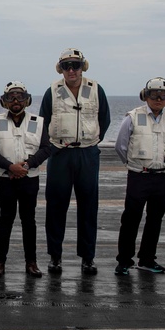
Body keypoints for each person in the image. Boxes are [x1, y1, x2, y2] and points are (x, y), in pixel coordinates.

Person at [39, 48, 111, 275]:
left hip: (87, 155)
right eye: (67, 66)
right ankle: (55, 257)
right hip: (60, 154)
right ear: (60, 69)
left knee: (89, 208)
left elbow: (105, 119)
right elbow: (43, 122)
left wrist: (90, 140)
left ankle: (88, 258)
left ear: (83, 67)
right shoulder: (52, 91)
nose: (71, 70)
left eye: (75, 65)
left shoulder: (96, 90)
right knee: (56, 207)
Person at [113, 78, 165, 276]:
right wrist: (133, 165)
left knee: (155, 220)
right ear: (146, 96)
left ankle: (147, 259)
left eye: (163, 95)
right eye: (153, 94)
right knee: (130, 220)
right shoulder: (133, 117)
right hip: (138, 177)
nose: (158, 99)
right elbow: (121, 146)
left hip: (163, 177)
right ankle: (124, 261)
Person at [0, 82, 53, 278]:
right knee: (5, 220)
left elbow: (46, 148)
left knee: (28, 221)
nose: (16, 101)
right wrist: (10, 167)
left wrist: (27, 165)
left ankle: (31, 263)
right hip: (5, 179)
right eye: (11, 97)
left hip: (29, 178)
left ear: (27, 100)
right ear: (4, 101)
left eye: (20, 97)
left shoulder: (38, 121)